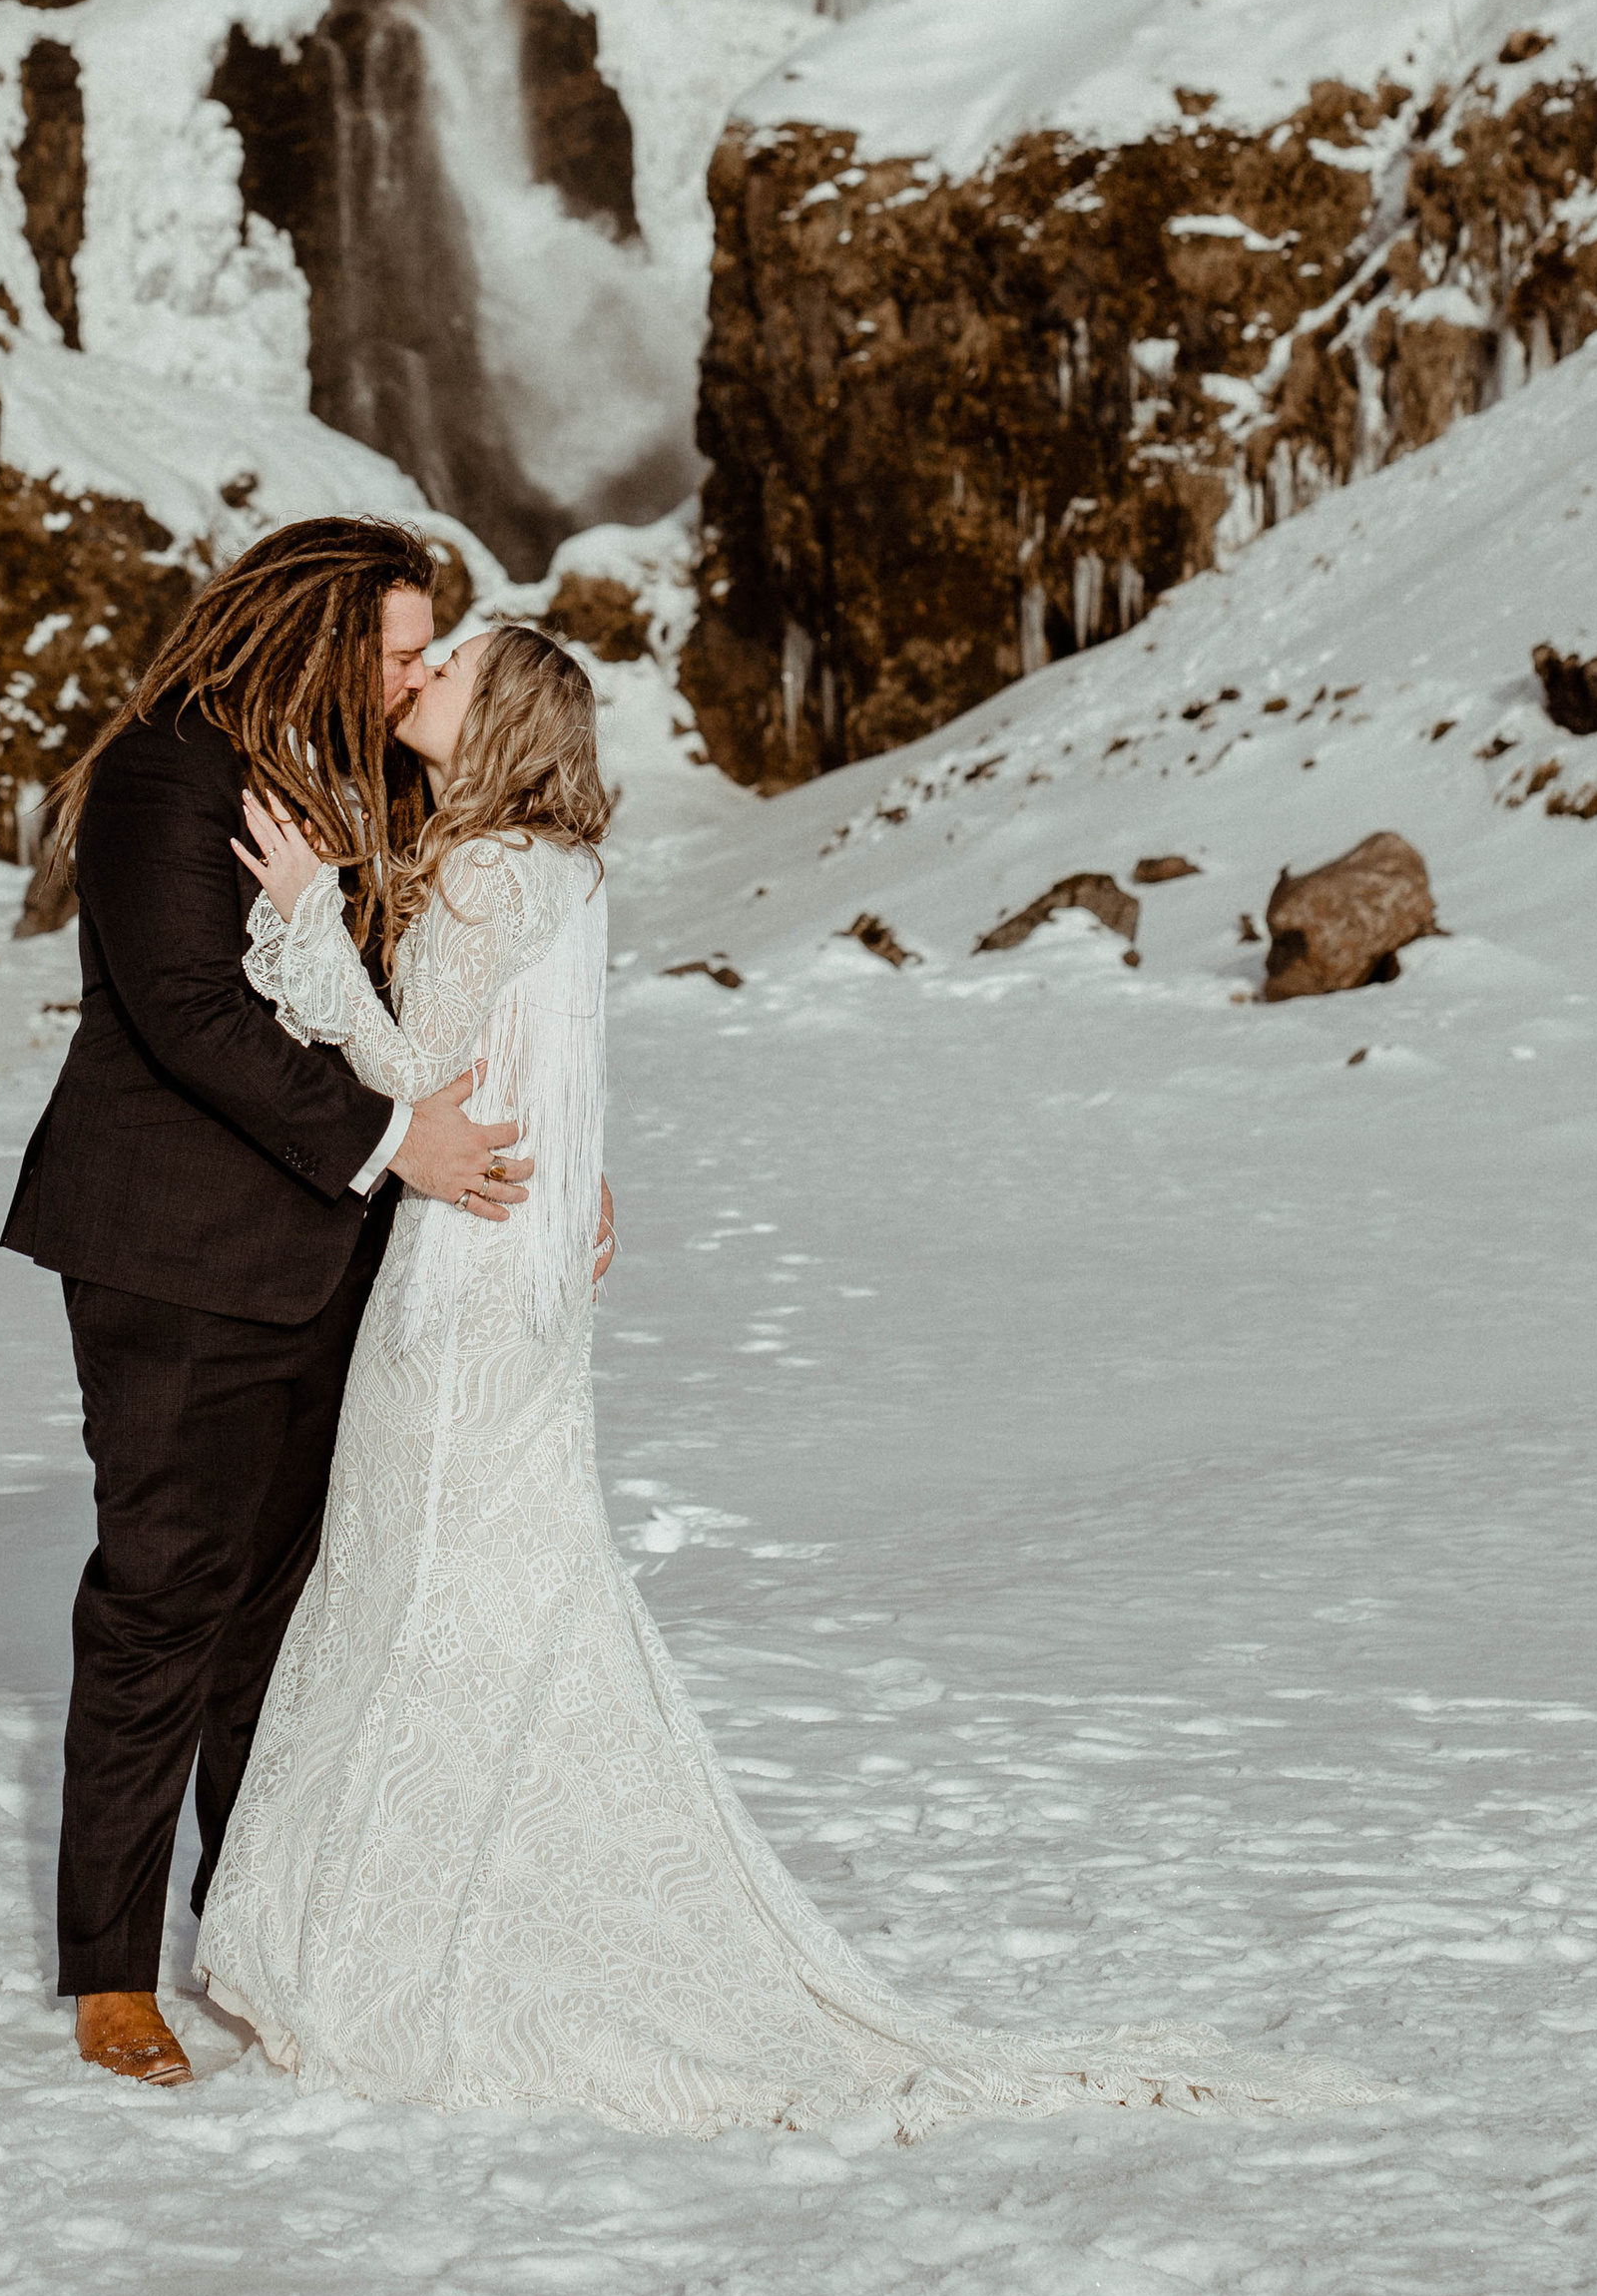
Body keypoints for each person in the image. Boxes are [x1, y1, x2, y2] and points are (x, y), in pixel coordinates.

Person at [199, 621, 1377, 2140]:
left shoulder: (489, 869)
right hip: (525, 1269)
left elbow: (407, 1068)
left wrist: (300, 918)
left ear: (499, 717)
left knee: (407, 1582)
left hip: (460, 1272)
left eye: (448, 669)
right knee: (479, 1582)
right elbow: (548, 1061)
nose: (418, 678)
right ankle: (391, 1910)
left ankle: (364, 1946)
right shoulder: (564, 870)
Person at [0, 516, 545, 2091]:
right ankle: (111, 1971)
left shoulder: (371, 786)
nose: (411, 675)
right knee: (165, 1596)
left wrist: (550, 1165)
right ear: (310, 632)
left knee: (278, 1622)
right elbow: (184, 1010)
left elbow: (431, 994)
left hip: (330, 1254)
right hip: (174, 1262)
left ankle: (253, 1933)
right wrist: (395, 1143)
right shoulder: (169, 770)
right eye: (389, 648)